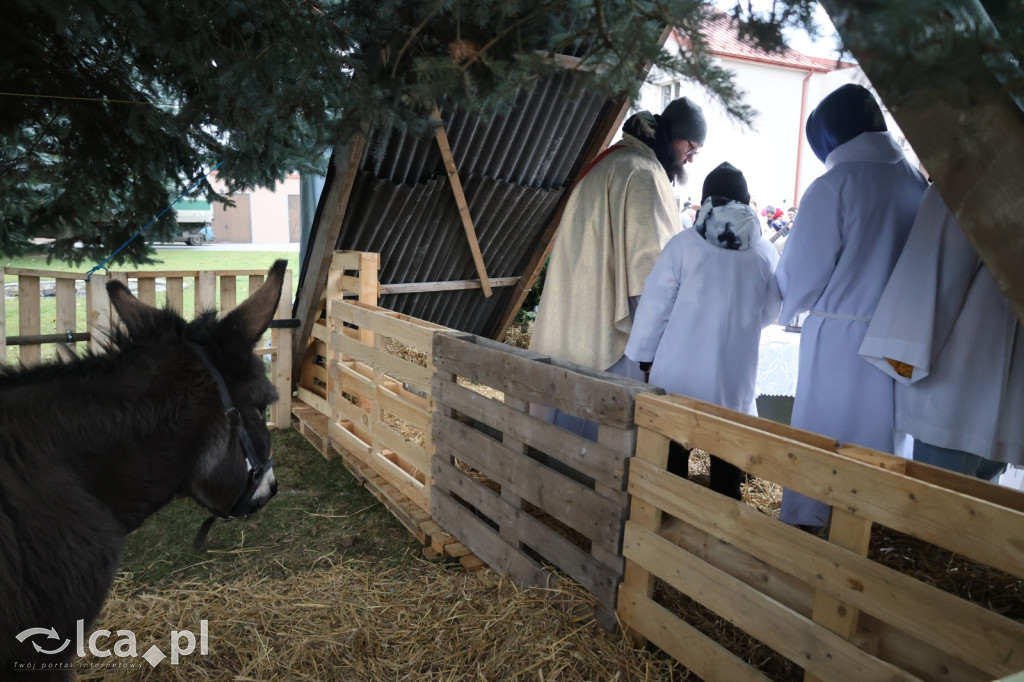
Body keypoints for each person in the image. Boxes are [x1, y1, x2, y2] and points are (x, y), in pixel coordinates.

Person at [776, 83, 928, 527]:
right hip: (899, 336)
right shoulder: (914, 180)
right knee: (882, 439)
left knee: (828, 440)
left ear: (830, 140)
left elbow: (802, 273)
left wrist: (781, 306)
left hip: (840, 337)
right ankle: (877, 527)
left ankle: (813, 522)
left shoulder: (835, 184)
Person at [530, 97, 707, 439]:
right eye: (691, 145)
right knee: (602, 430)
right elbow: (652, 272)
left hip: (578, 307)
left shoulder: (610, 160)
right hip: (614, 326)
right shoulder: (644, 172)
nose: (692, 155)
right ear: (673, 135)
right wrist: (658, 341)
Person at [625, 162, 781, 498]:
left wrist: (643, 357)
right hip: (733, 375)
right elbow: (770, 312)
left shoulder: (683, 245)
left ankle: (670, 519)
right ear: (746, 201)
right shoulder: (765, 252)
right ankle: (722, 532)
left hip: (679, 374)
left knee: (672, 460)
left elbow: (656, 305)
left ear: (705, 200)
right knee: (726, 463)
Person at [859, 184, 1023, 479]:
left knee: (937, 502)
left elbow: (932, 267)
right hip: (1012, 395)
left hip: (958, 386)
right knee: (985, 505)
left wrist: (900, 356)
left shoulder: (970, 180)